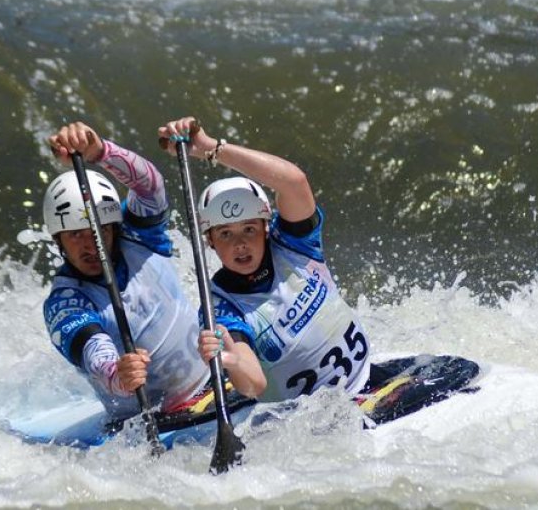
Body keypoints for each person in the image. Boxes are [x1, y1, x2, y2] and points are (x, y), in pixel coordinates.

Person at [158, 117, 371, 402]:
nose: (240, 244)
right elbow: (254, 384)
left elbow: (294, 182)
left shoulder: (295, 246)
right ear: (209, 241)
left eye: (249, 229)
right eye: (225, 234)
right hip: (310, 420)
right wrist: (230, 360)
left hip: (368, 376)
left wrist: (210, 148)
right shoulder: (220, 308)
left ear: (265, 227)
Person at [41, 121, 208, 421]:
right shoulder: (65, 302)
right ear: (58, 241)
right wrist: (118, 375)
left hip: (212, 385)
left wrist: (100, 151)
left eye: (99, 231)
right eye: (75, 235)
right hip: (152, 421)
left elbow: (150, 186)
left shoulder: (139, 237)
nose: (91, 245)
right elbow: (92, 349)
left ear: (114, 227)